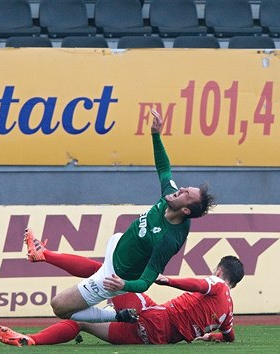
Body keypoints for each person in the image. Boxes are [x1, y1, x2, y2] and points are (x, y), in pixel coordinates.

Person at [24, 108, 216, 323]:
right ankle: (42, 254)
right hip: (119, 245)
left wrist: (123, 286)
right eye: (184, 188)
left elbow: (145, 282)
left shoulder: (168, 240)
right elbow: (164, 169)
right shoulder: (170, 197)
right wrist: (155, 134)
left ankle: (117, 316)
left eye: (185, 194)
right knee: (98, 266)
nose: (179, 189)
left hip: (118, 275)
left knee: (59, 306)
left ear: (186, 211)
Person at [0, 238, 244, 347]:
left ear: (220, 270)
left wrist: (168, 280)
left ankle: (44, 255)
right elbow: (229, 336)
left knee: (108, 274)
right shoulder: (228, 312)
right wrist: (208, 337)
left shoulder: (218, 283)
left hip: (153, 317)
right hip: (151, 339)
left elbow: (200, 285)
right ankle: (33, 339)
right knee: (78, 321)